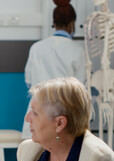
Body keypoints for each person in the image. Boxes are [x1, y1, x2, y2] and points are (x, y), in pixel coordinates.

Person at [22, 0, 86, 139]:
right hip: (62, 117)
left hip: (37, 113)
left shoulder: (36, 48)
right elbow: (79, 89)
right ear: (72, 23)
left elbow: (29, 82)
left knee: (33, 158)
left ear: (54, 23)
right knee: (61, 156)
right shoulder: (78, 51)